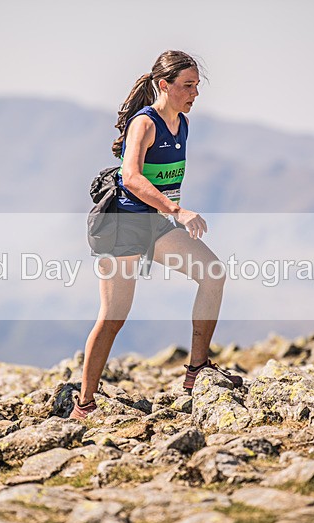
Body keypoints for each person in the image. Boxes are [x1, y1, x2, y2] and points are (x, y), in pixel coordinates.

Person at [71, 50, 242, 420]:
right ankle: (83, 405)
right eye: (187, 86)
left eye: (197, 86)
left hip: (157, 225)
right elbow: (131, 177)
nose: (194, 93)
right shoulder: (144, 124)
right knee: (114, 316)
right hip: (123, 226)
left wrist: (170, 213)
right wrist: (178, 210)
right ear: (164, 85)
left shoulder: (182, 121)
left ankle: (197, 370)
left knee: (212, 274)